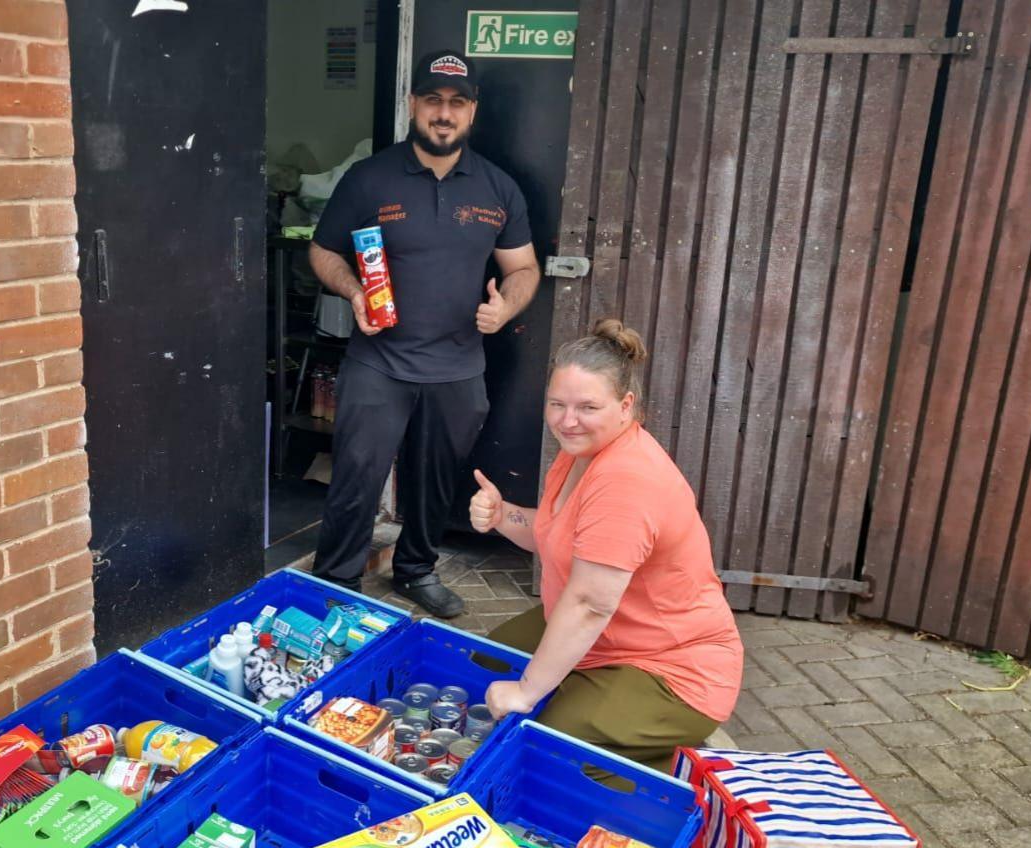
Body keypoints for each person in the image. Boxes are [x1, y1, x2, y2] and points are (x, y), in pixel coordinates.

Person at [307, 49, 541, 618]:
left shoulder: (498, 188)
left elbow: (525, 268)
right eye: (433, 100)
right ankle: (335, 586)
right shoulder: (370, 178)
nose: (444, 113)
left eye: (456, 103)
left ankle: (415, 569)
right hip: (378, 361)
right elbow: (322, 250)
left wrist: (504, 309)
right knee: (357, 479)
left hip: (459, 367)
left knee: (436, 483)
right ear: (414, 104)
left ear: (472, 111)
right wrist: (355, 291)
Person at [472, 320, 743, 772]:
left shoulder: (626, 481)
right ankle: (603, 714)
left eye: (587, 407)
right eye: (557, 404)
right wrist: (504, 517)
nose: (567, 420)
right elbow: (558, 532)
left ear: (626, 405)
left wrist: (527, 691)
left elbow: (590, 605)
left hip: (671, 668)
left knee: (546, 749)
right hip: (611, 636)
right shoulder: (581, 450)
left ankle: (666, 769)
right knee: (483, 662)